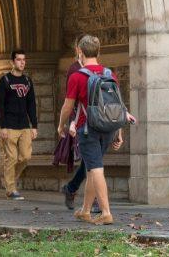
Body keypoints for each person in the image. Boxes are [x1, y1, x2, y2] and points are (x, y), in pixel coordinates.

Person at [57, 34, 135, 225]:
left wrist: (61, 125)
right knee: (92, 168)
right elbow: (117, 105)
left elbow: (68, 107)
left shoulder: (77, 76)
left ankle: (106, 212)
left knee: (96, 169)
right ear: (98, 52)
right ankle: (85, 210)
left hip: (87, 129)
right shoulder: (109, 74)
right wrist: (119, 132)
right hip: (108, 128)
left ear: (80, 52)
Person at [60, 37, 100, 214]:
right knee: (92, 163)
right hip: (81, 124)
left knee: (90, 162)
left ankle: (72, 188)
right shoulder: (74, 70)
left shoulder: (100, 70)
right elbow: (71, 101)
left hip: (97, 123)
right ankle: (97, 202)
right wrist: (71, 124)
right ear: (78, 49)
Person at [0, 49, 37, 200]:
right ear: (12, 62)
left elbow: (32, 104)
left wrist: (34, 126)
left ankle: (11, 180)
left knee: (25, 157)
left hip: (24, 125)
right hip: (9, 125)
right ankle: (11, 189)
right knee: (11, 158)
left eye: (24, 60)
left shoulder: (27, 81)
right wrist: (2, 126)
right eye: (19, 59)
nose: (22, 62)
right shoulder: (5, 81)